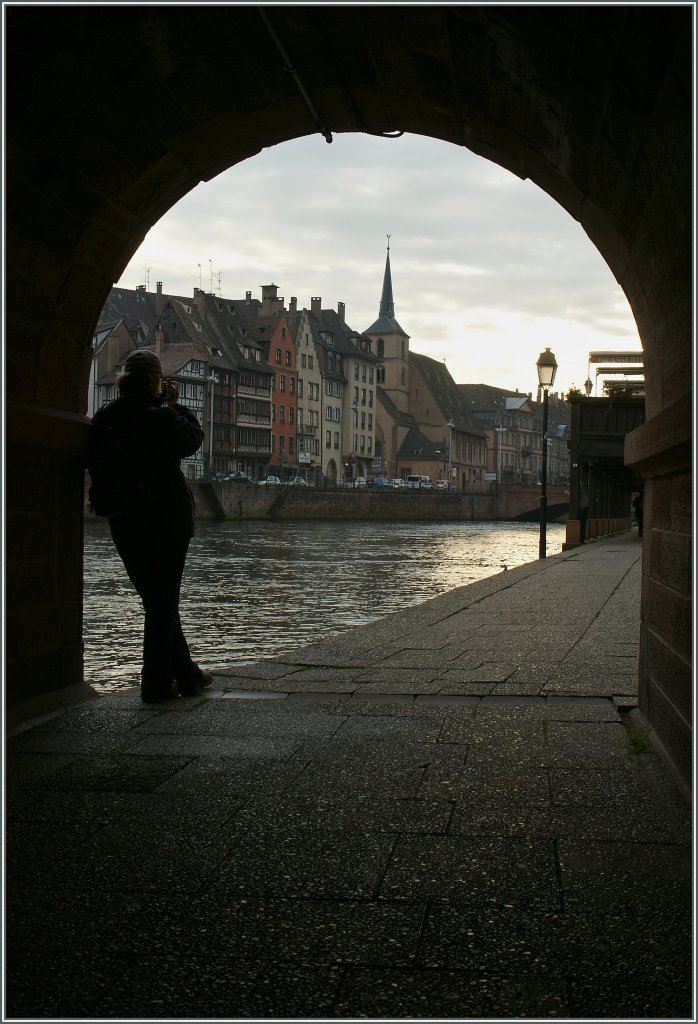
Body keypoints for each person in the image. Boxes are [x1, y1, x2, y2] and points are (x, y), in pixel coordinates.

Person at [88, 349, 212, 703]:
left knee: (156, 600)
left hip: (123, 518)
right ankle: (156, 684)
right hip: (165, 518)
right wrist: (173, 404)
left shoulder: (106, 416)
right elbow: (193, 437)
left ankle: (186, 675)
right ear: (156, 381)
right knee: (163, 600)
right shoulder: (159, 416)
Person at [578, 476, 590, 544]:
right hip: (586, 505)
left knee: (581, 523)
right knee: (583, 523)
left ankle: (580, 540)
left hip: (582, 506)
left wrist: (567, 492)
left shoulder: (578, 484)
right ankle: (582, 540)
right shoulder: (582, 484)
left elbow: (576, 495)